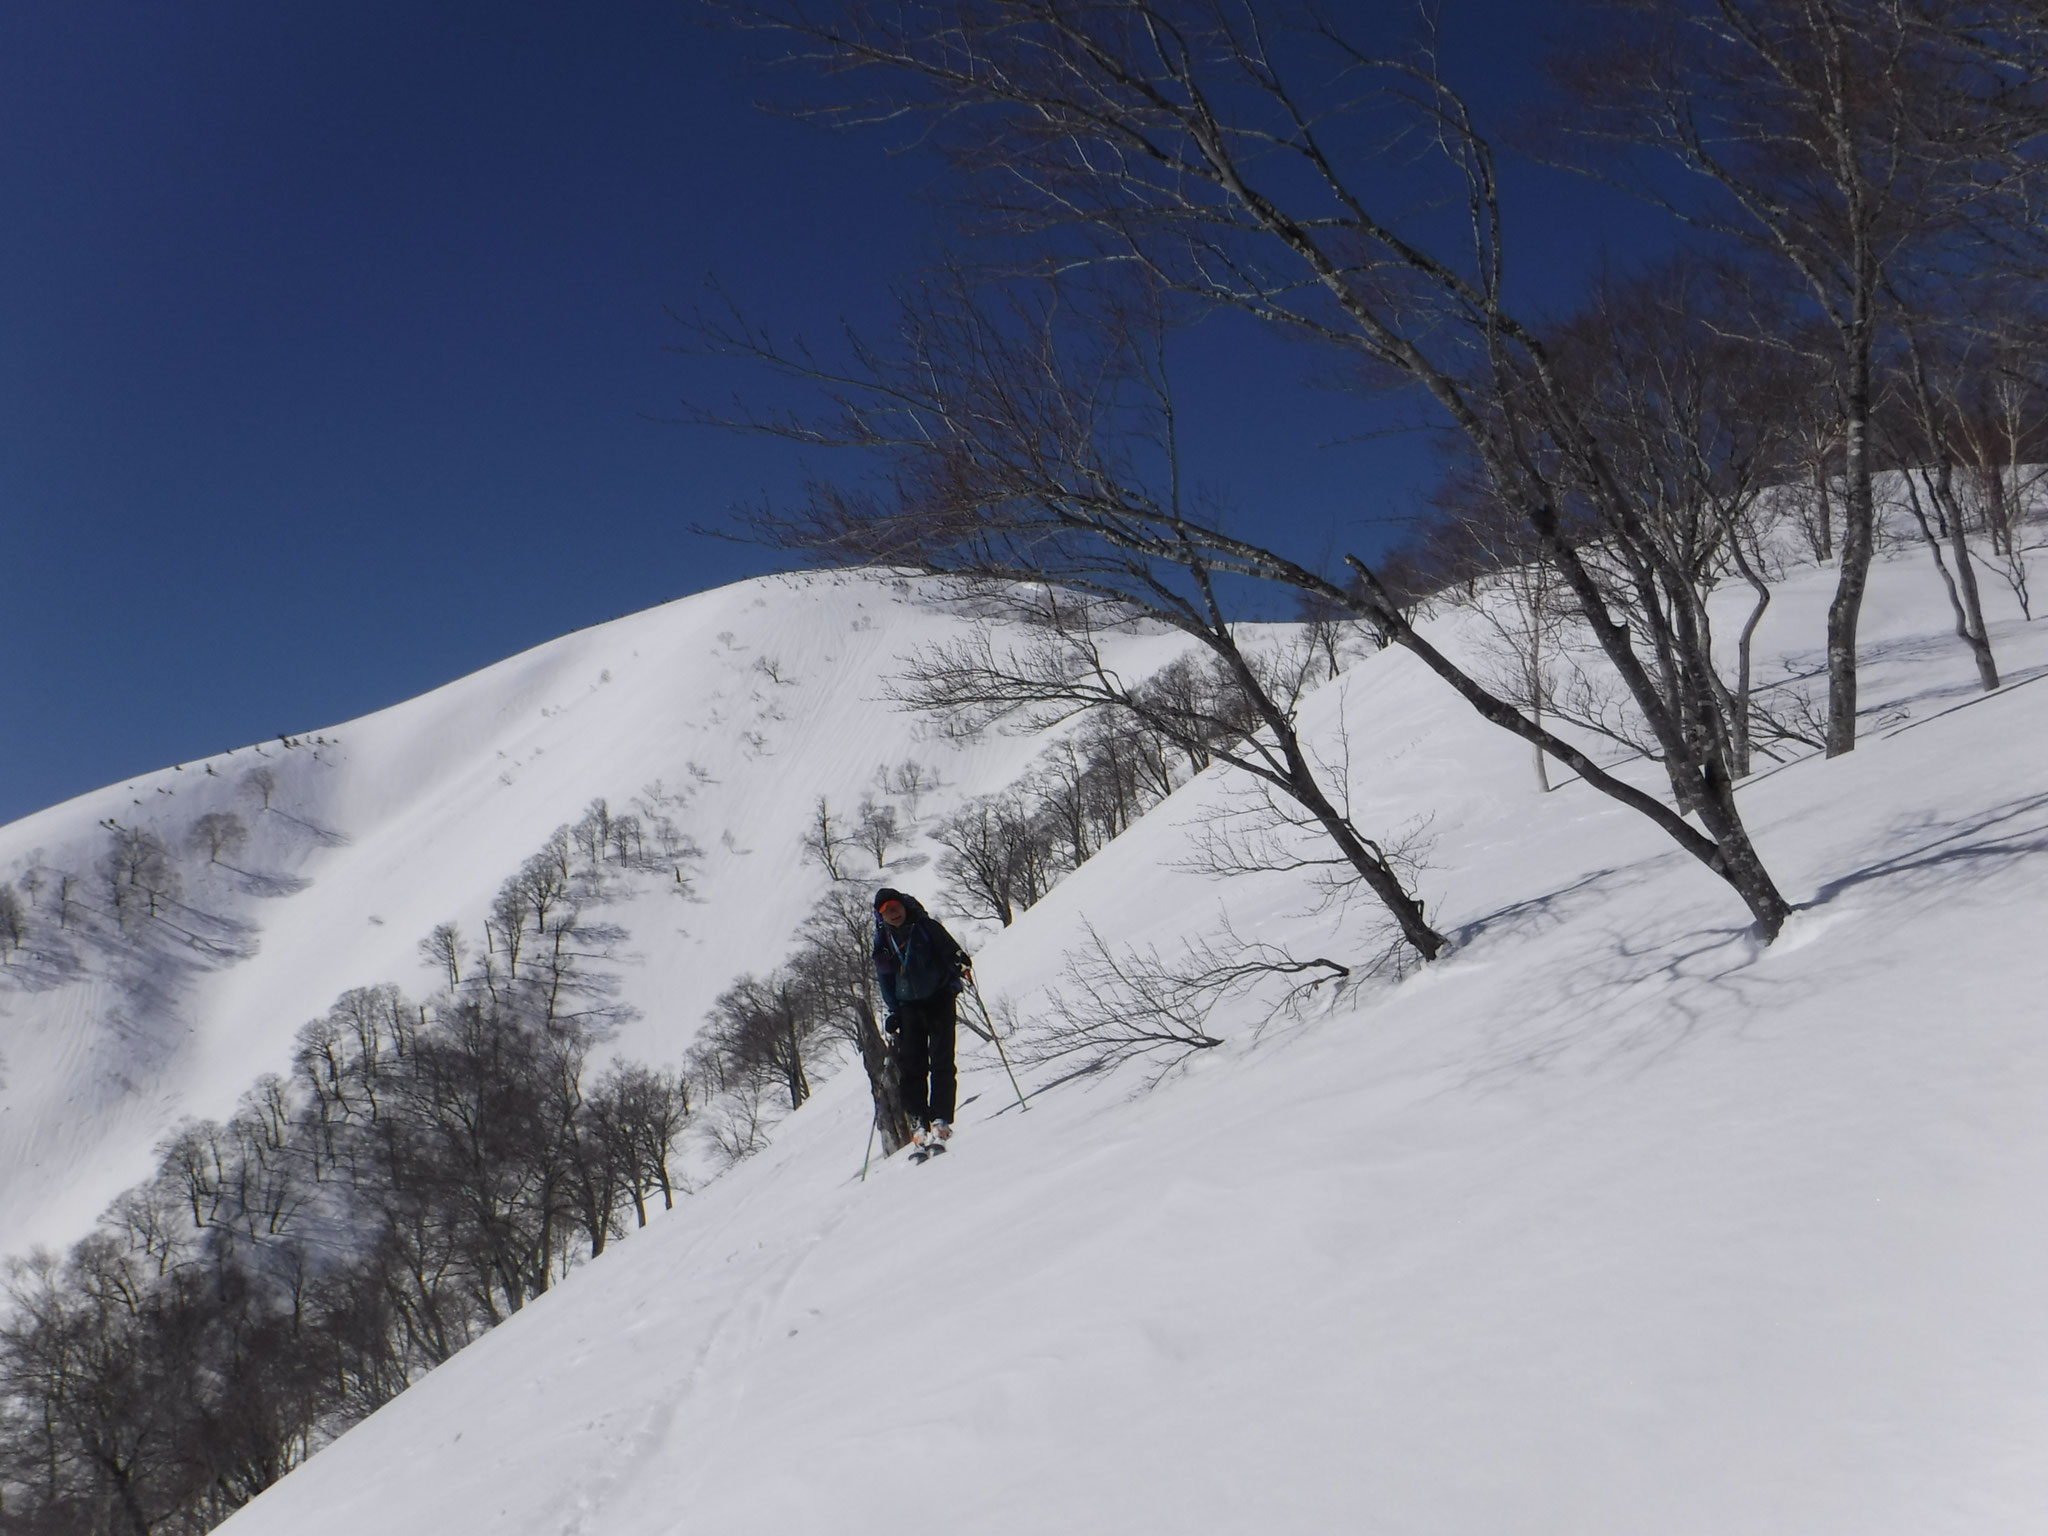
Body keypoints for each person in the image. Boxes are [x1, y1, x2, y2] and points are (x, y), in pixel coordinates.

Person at [872, 886, 970, 1151]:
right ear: (880, 916)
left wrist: (960, 961)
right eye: (887, 912)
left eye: (895, 908)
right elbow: (885, 980)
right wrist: (893, 1011)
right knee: (912, 1066)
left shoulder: (926, 926)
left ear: (903, 906)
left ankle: (940, 1116)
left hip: (939, 998)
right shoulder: (883, 941)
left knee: (941, 1059)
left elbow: (951, 950)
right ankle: (918, 1118)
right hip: (908, 1007)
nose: (893, 914)